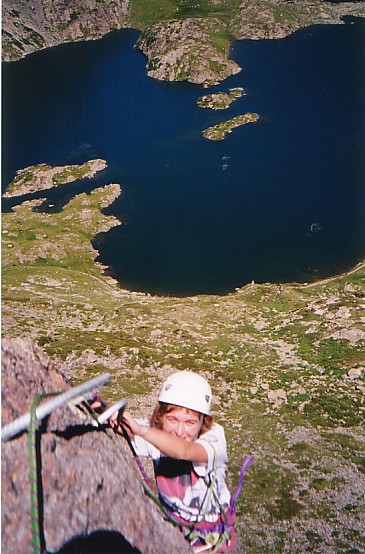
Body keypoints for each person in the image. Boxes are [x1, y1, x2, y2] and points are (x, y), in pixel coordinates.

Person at [115, 371, 237, 553]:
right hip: (172, 524)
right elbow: (126, 428)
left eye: (190, 422)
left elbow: (183, 451)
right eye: (172, 420)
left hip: (209, 533)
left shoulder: (214, 440)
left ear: (203, 421)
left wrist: (141, 430)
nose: (180, 431)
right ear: (160, 417)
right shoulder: (157, 435)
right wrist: (105, 412)